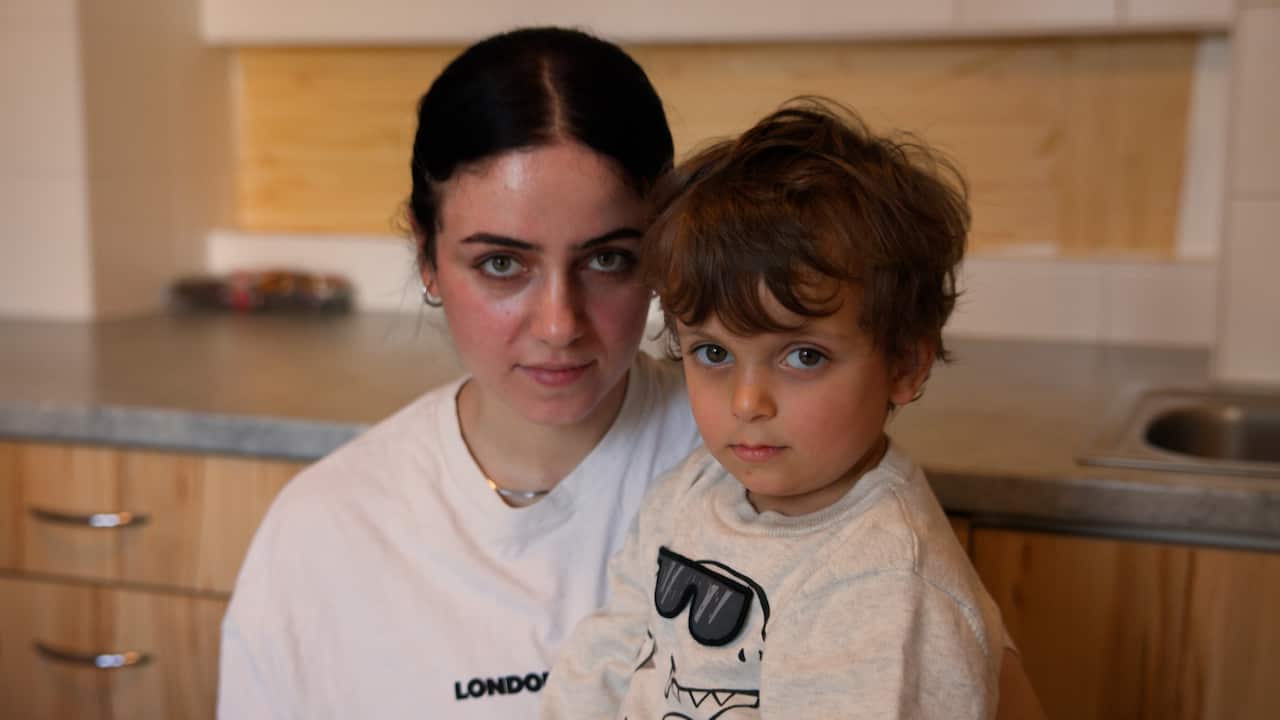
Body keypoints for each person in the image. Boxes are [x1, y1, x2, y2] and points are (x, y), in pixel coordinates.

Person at [217, 27, 700, 719]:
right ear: (427, 259)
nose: (559, 324)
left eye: (607, 259)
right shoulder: (325, 532)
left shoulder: (751, 473)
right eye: (502, 264)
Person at [541, 99, 1009, 719]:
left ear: (904, 365)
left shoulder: (885, 588)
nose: (746, 402)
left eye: (803, 357)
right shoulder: (694, 490)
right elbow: (609, 652)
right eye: (712, 351)